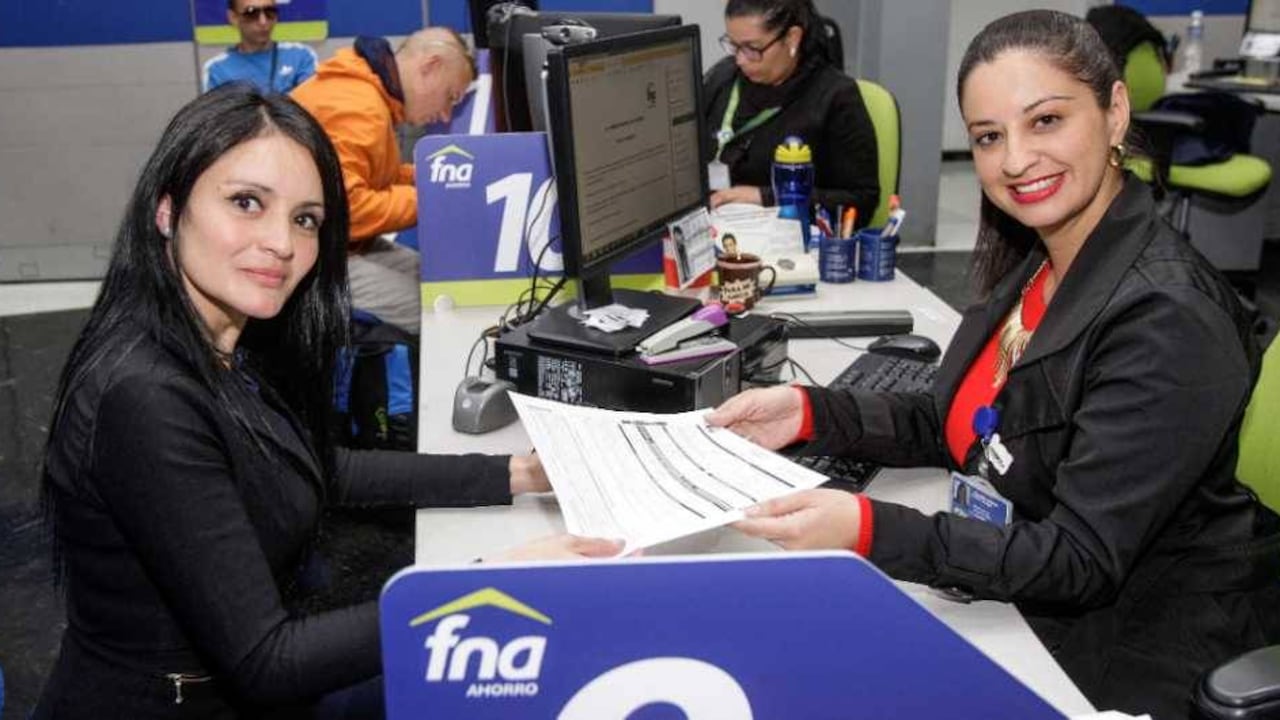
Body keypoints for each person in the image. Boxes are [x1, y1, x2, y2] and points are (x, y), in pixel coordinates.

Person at [709, 10, 1280, 718]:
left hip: (1128, 640)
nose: (1014, 160)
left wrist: (869, 529)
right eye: (988, 136)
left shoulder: (1166, 317)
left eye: (1046, 121)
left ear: (1114, 111)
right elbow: (963, 421)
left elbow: (1079, 559)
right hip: (1031, 592)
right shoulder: (1044, 257)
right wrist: (808, 411)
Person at [33, 85, 618, 719]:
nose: (282, 243)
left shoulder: (222, 343)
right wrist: (488, 581)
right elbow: (268, 662)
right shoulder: (145, 396)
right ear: (168, 211)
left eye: (304, 219)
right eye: (247, 203)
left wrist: (519, 473)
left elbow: (313, 467)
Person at [291, 28, 474, 334]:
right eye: (450, 97)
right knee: (439, 312)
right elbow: (348, 209)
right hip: (308, 258)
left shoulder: (365, 91)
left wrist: (434, 177)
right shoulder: (359, 106)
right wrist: (435, 198)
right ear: (430, 66)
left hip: (334, 244)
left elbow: (375, 176)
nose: (445, 115)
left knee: (442, 282)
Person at [702, 0, 879, 226]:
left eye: (752, 48)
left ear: (792, 38)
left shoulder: (835, 97)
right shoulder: (723, 78)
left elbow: (861, 202)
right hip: (720, 230)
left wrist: (767, 198)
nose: (740, 60)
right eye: (734, 45)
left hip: (792, 236)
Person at [203, 0, 317, 93]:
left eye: (269, 12)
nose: (263, 22)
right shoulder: (217, 69)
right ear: (233, 17)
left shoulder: (301, 57)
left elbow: (309, 107)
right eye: (251, 13)